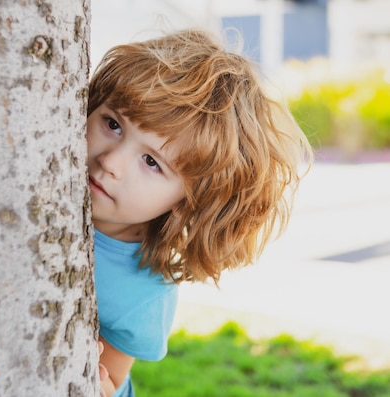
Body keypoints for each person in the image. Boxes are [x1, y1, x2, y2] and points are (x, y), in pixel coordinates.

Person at [88, 29, 313, 397]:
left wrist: (101, 387)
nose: (110, 162)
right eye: (113, 124)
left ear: (187, 201)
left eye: (151, 162)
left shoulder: (143, 294)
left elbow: (108, 382)